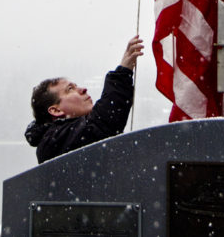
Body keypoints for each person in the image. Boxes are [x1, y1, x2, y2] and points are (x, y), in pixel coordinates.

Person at [24, 35, 144, 164]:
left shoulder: (60, 136)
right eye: (70, 89)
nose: (83, 89)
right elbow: (101, 123)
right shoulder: (53, 140)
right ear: (55, 110)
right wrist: (122, 73)